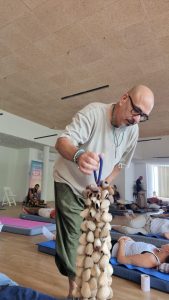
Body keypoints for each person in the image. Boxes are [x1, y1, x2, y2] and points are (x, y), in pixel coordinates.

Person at [53, 85, 154, 297]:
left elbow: (121, 165)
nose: (137, 119)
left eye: (143, 116)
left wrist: (104, 184)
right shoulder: (93, 113)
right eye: (136, 111)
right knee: (73, 236)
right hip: (69, 182)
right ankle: (75, 290)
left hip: (95, 191)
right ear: (124, 98)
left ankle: (92, 286)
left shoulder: (133, 130)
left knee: (97, 238)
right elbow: (62, 141)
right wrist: (78, 155)